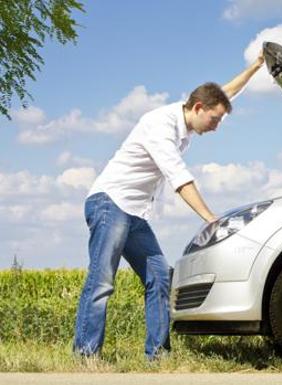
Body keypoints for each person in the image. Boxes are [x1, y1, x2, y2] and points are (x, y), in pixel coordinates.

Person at [73, 53, 265, 359]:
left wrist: (255, 67)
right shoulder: (159, 125)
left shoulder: (192, 116)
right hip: (110, 204)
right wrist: (210, 218)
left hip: (134, 213)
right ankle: (85, 355)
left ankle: (158, 356)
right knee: (102, 280)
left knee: (160, 277)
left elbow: (225, 93)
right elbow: (179, 178)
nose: (217, 126)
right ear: (198, 108)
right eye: (214, 119)